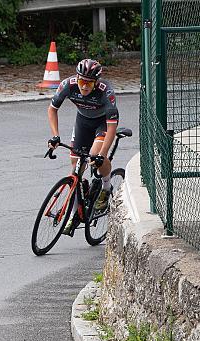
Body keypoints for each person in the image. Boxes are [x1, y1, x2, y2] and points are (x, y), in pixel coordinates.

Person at [47, 58, 119, 234]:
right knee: (75, 168)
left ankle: (106, 187)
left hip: (102, 123)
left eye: (88, 83)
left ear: (96, 82)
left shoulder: (105, 91)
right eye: (81, 81)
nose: (84, 86)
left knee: (96, 155)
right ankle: (75, 214)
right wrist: (55, 135)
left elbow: (111, 127)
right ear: (76, 78)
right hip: (83, 122)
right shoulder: (68, 85)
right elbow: (52, 109)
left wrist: (102, 154)